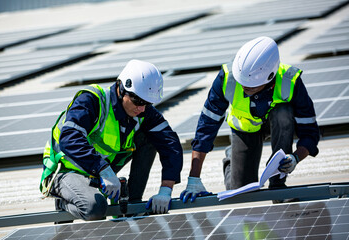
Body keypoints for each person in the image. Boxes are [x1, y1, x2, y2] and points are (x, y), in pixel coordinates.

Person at [180, 36, 320, 203]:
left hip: (279, 124)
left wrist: (295, 158)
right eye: (242, 81)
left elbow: (310, 132)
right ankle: (232, 157)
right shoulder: (227, 78)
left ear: (270, 78)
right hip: (245, 129)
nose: (244, 87)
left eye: (252, 85)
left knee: (283, 112)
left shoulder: (290, 80)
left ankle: (277, 185)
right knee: (240, 193)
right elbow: (206, 127)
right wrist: (194, 179)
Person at [40, 59, 183, 220]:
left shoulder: (142, 111)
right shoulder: (92, 101)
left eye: (147, 104)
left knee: (150, 138)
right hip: (65, 171)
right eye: (138, 101)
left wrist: (166, 189)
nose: (142, 108)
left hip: (97, 171)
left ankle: (131, 203)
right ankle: (63, 202)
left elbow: (170, 143)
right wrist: (103, 170)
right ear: (121, 89)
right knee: (95, 209)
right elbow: (69, 139)